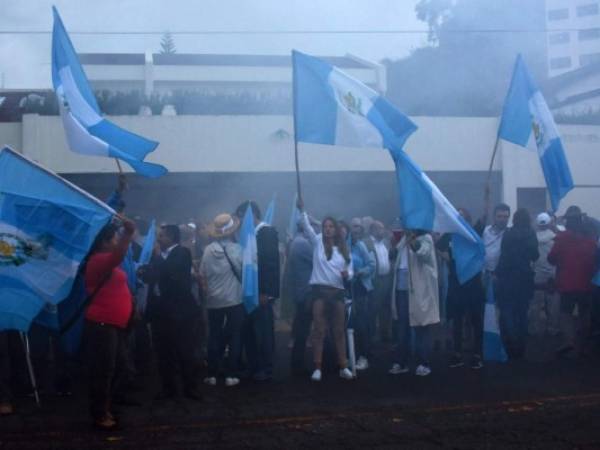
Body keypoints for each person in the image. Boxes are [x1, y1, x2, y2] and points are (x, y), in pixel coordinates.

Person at [84, 217, 135, 430]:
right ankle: (100, 413)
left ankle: (108, 406)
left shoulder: (105, 261)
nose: (116, 241)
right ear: (105, 241)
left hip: (115, 325)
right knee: (104, 370)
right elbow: (118, 255)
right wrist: (128, 233)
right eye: (114, 238)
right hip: (102, 324)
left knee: (121, 367)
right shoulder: (97, 260)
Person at [141, 225, 202, 401]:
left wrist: (152, 266)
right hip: (161, 314)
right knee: (163, 353)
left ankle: (190, 388)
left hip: (180, 314)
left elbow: (169, 272)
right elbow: (149, 277)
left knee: (184, 352)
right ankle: (168, 388)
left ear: (172, 238)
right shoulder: (160, 258)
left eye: (161, 236)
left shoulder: (182, 253)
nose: (158, 239)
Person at [297, 200, 354, 382]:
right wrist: (302, 209)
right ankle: (317, 368)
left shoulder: (344, 251)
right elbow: (306, 225)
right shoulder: (317, 243)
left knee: (338, 331)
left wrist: (348, 274)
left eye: (331, 226)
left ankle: (344, 366)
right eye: (325, 226)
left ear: (336, 229)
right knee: (319, 331)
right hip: (320, 292)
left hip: (337, 292)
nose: (328, 229)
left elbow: (350, 271)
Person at [235, 201, 280, 382]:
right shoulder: (249, 233)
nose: (238, 220)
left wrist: (266, 292)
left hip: (261, 293)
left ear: (252, 215)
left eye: (240, 216)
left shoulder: (266, 232)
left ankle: (266, 368)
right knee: (248, 332)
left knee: (263, 333)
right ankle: (253, 366)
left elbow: (269, 265)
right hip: (248, 292)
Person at [437, 208, 485, 370]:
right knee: (456, 320)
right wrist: (448, 259)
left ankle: (477, 354)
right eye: (458, 216)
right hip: (456, 284)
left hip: (473, 283)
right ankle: (457, 353)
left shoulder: (473, 232)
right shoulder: (449, 235)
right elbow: (438, 246)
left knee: (475, 319)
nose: (460, 218)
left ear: (468, 219)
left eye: (463, 216)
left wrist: (487, 195)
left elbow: (484, 216)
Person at [200, 213, 244, 387]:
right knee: (234, 336)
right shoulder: (237, 249)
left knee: (214, 335)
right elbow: (243, 273)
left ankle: (212, 374)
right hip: (234, 299)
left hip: (213, 300)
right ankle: (230, 375)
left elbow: (202, 274)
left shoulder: (208, 250)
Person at [548, 206, 598, 358]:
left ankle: (569, 341)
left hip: (567, 284)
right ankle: (583, 344)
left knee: (565, 314)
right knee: (584, 314)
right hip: (586, 284)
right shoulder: (591, 242)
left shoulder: (562, 239)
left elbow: (551, 259)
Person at [389, 230, 440, 377]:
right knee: (402, 326)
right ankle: (401, 362)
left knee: (421, 325)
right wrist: (393, 246)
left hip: (418, 290)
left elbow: (423, 253)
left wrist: (412, 240)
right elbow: (393, 256)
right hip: (401, 288)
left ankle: (423, 363)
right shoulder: (404, 238)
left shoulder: (426, 238)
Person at [495, 208, 539, 360]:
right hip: (524, 277)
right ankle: (520, 346)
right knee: (522, 312)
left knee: (507, 311)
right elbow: (535, 255)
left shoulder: (508, 233)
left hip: (506, 277)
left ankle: (510, 345)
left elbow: (503, 251)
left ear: (513, 219)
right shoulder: (531, 233)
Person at [288, 219, 315, 374]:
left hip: (300, 291)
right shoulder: (303, 244)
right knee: (303, 330)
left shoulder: (296, 242)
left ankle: (297, 363)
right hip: (306, 293)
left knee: (301, 328)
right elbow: (319, 260)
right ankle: (297, 366)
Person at [349, 218, 376, 371]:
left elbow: (372, 265)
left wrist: (361, 272)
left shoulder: (362, 246)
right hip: (346, 289)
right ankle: (349, 355)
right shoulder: (343, 246)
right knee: (348, 322)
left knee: (361, 323)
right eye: (353, 226)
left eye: (358, 226)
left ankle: (363, 356)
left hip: (360, 288)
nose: (356, 229)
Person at [529, 212, 560, 336]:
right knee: (553, 306)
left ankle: (534, 330)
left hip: (536, 275)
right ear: (549, 223)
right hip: (552, 275)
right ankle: (553, 329)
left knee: (535, 305)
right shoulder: (555, 238)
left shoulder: (533, 239)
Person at [370, 221, 393, 342]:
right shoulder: (368, 243)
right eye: (380, 229)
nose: (383, 231)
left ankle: (385, 334)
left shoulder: (384, 244)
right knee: (374, 308)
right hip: (376, 280)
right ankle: (373, 336)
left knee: (386, 308)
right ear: (373, 230)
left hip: (386, 279)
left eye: (383, 229)